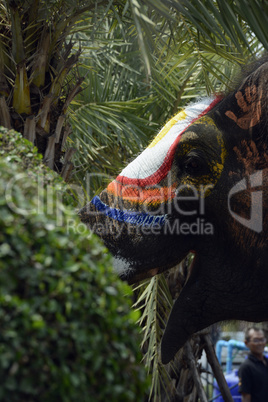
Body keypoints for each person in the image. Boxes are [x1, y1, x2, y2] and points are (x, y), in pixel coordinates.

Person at [238, 327, 268, 401]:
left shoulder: (266, 362)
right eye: (256, 340)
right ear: (246, 343)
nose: (260, 343)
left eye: (262, 339)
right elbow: (245, 397)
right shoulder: (246, 367)